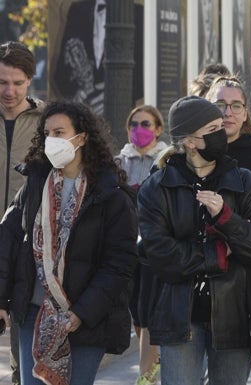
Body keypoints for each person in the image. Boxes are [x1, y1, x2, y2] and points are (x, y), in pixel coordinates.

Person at [137, 96, 251, 385]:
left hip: (235, 315)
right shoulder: (158, 186)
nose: (223, 131)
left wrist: (227, 219)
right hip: (179, 316)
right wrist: (220, 254)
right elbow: (159, 253)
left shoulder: (244, 182)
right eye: (213, 128)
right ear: (190, 141)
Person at [0, 101, 138, 385]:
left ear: (82, 137)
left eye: (60, 132)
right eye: (48, 133)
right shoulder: (35, 182)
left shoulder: (110, 195)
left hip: (86, 321)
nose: (53, 140)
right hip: (34, 314)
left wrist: (81, 313)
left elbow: (119, 264)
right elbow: (8, 238)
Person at [0, 40, 46, 385]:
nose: (9, 90)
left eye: (17, 82)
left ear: (30, 80)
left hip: (25, 241)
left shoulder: (47, 121)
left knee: (22, 344)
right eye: (2, 82)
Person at [116, 105, 169, 385]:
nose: (139, 129)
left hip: (152, 247)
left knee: (147, 312)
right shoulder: (119, 162)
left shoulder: (166, 160)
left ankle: (146, 374)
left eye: (146, 124)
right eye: (134, 124)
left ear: (158, 129)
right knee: (136, 311)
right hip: (125, 246)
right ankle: (153, 360)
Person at [204, 76, 251, 189]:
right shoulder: (196, 151)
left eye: (236, 106)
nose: (228, 113)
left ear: (245, 115)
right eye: (220, 105)